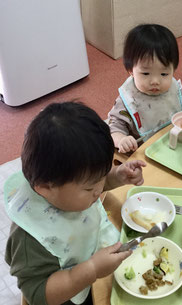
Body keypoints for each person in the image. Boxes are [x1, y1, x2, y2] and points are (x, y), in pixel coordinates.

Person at [4, 101, 147, 305]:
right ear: (45, 187)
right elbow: (38, 294)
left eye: (102, 177)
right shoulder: (31, 239)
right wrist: (92, 270)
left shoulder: (65, 186)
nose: (98, 190)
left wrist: (117, 176)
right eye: (90, 188)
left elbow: (96, 183)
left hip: (92, 257)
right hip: (68, 295)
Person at [108, 24, 182, 153]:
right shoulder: (128, 99)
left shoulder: (170, 86)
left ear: (173, 69)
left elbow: (176, 97)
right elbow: (114, 126)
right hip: (146, 150)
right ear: (130, 70)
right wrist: (121, 139)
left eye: (164, 74)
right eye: (145, 73)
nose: (155, 81)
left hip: (173, 140)